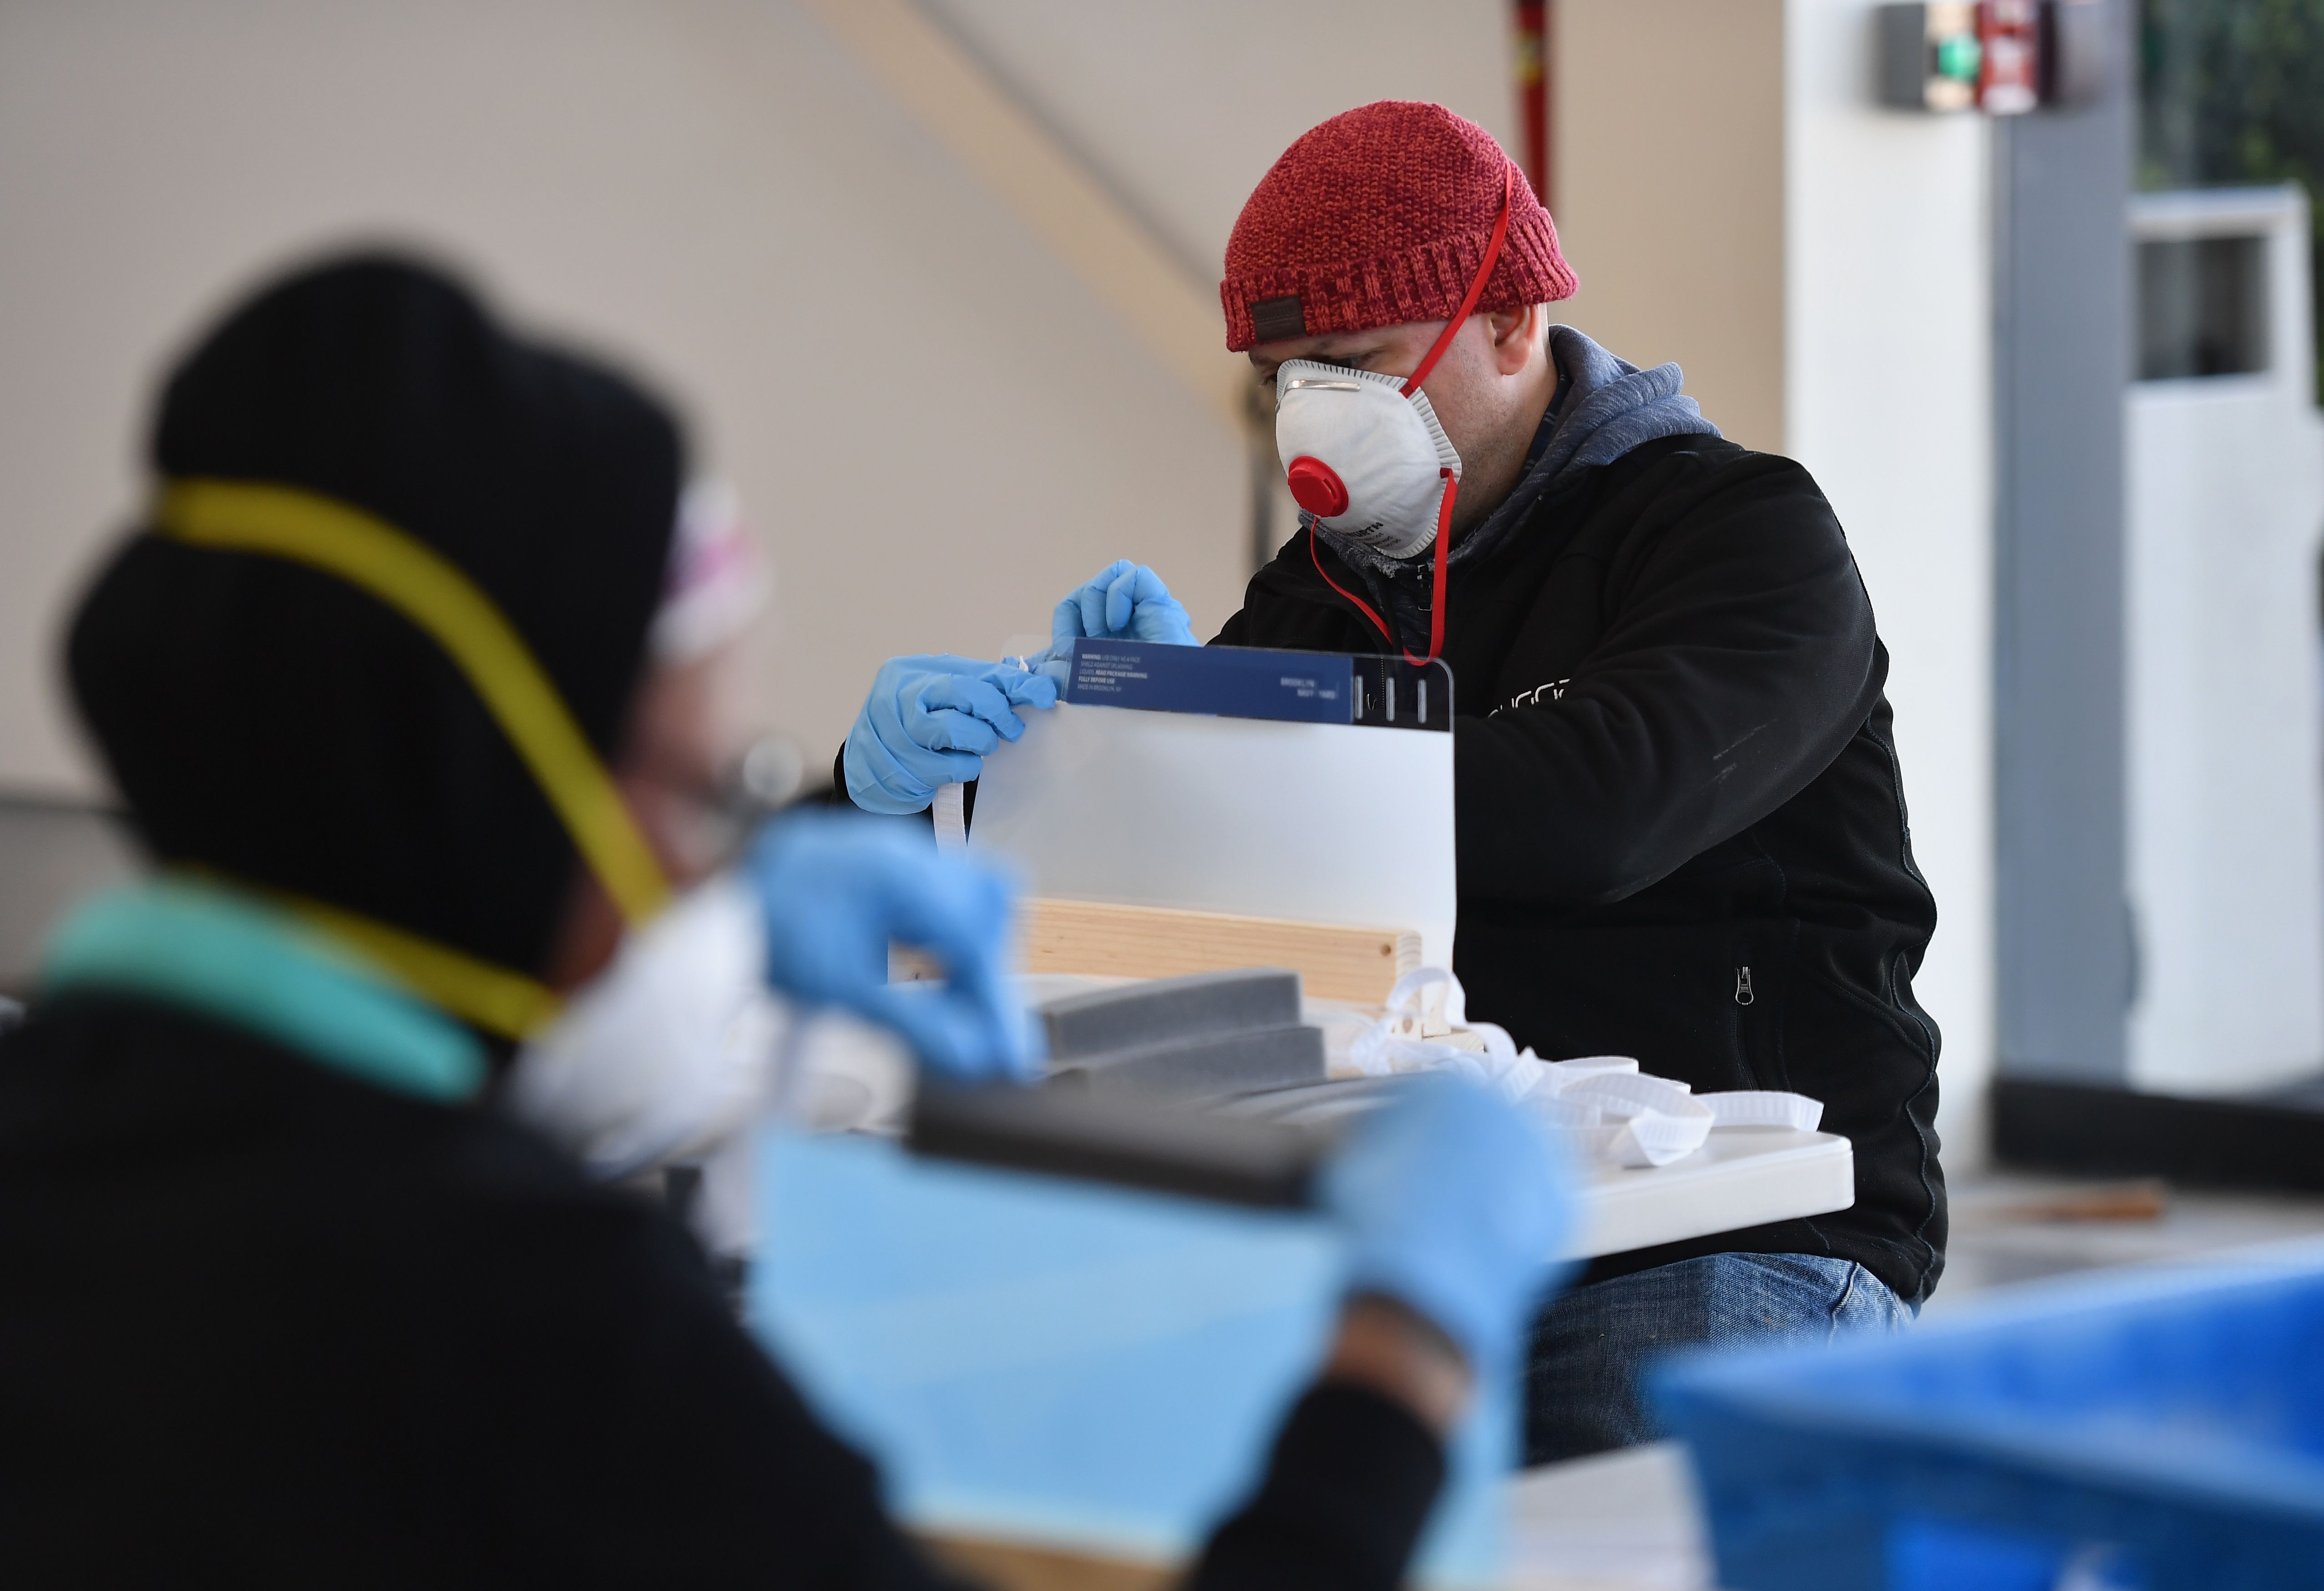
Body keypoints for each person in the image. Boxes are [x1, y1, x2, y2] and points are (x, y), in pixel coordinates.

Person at [0, 255, 1575, 1587]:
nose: (715, 880)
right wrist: (1400, 1351)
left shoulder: (73, 1141)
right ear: (503, 799)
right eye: (705, 798)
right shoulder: (542, 1333)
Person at [839, 100, 1943, 1460]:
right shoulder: (1316, 598)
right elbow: (1146, 915)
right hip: (1400, 1235)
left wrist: (1243, 754)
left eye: (1355, 365)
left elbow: (1601, 811)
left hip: (1723, 1233)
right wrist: (1003, 774)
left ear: (1512, 322)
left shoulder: (1737, 538)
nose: (1315, 419)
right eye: (1285, 378)